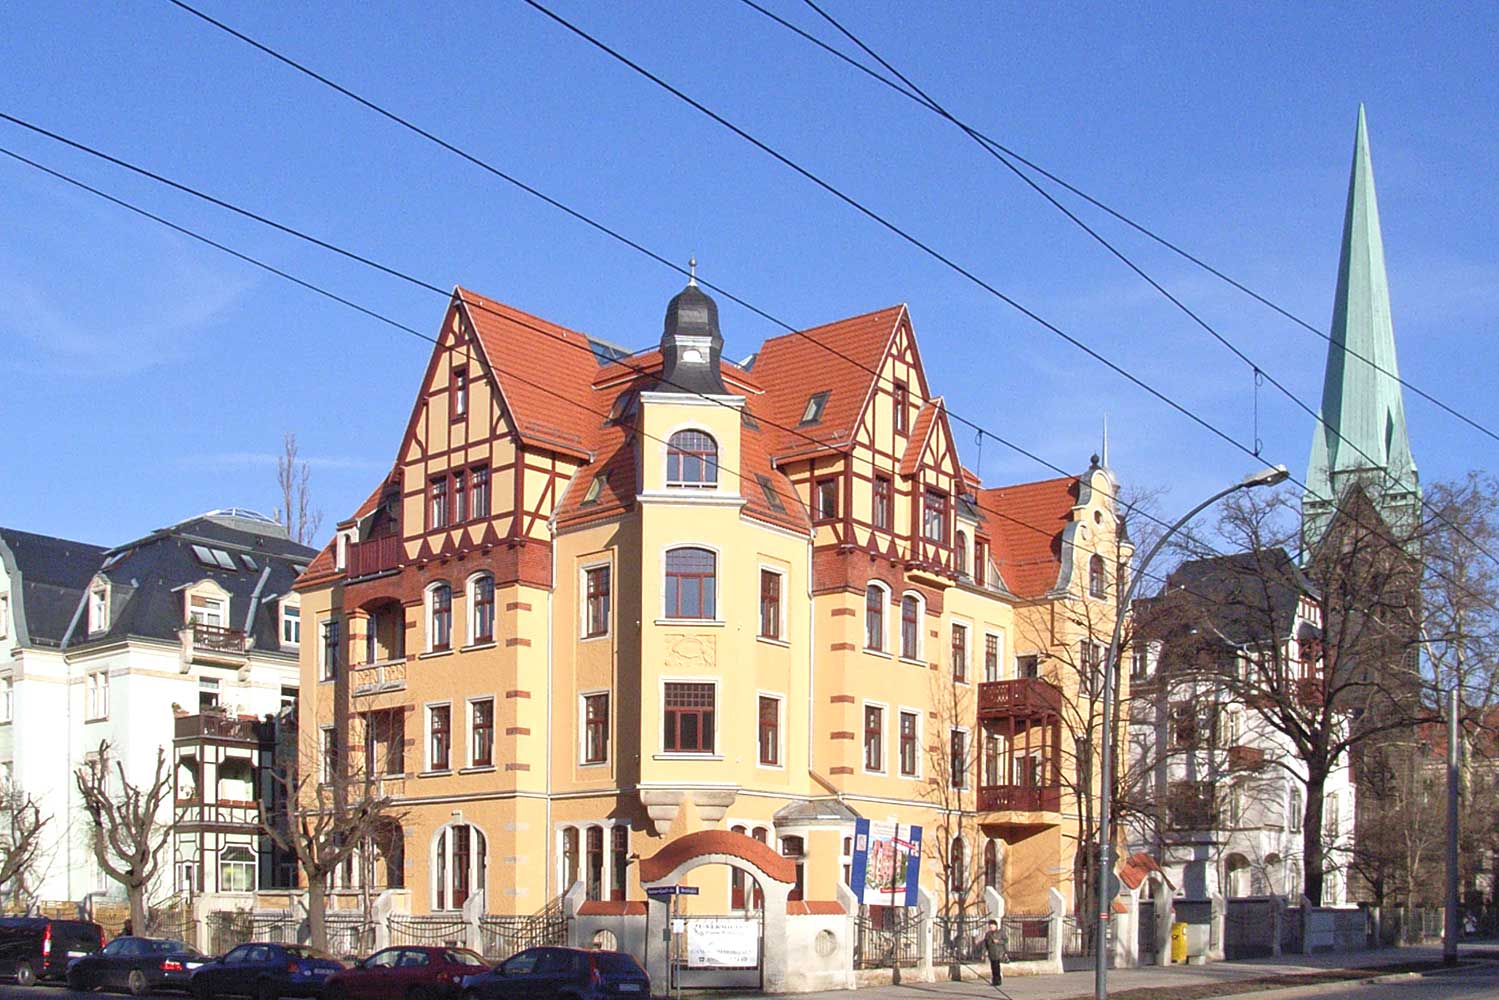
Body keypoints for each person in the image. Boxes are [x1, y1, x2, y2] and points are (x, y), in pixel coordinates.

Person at [983, 919, 1005, 987]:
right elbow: (985, 944)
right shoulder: (988, 934)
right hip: (991, 952)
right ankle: (994, 979)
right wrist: (983, 953)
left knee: (997, 966)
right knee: (993, 967)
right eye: (990, 926)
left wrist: (998, 941)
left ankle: (998, 980)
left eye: (992, 926)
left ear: (995, 926)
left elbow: (1005, 940)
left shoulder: (1000, 933)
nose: (991, 927)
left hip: (998, 952)